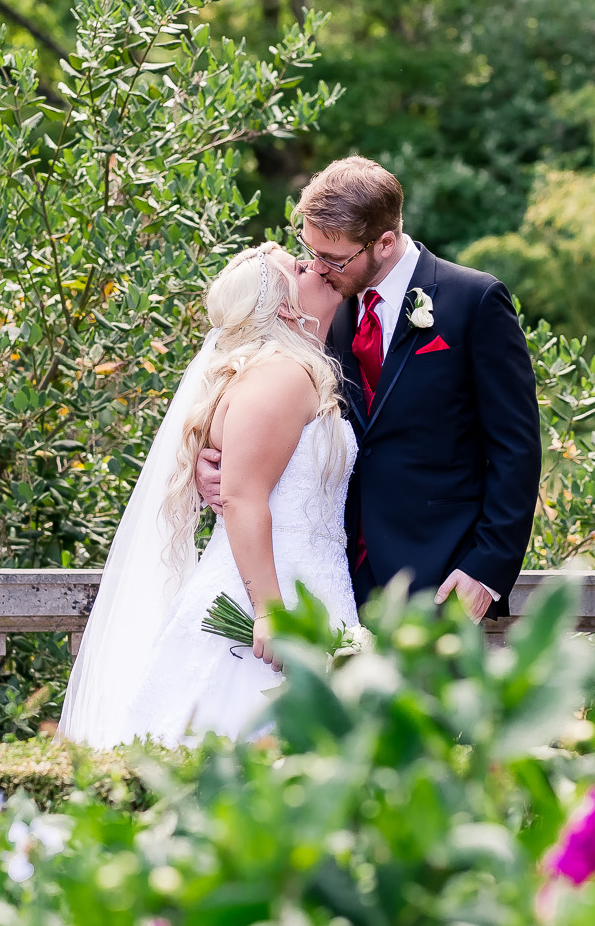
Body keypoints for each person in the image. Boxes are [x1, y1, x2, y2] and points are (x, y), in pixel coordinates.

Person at [201, 157, 541, 620]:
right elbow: (252, 397)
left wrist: (486, 568)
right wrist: (213, 459)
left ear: (384, 242)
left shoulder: (473, 301)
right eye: (311, 250)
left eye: (334, 259)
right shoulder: (317, 315)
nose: (319, 269)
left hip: (439, 577)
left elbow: (515, 447)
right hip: (332, 576)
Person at [57, 243, 353, 747]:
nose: (316, 267)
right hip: (271, 591)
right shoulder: (282, 376)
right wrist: (269, 612)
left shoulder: (286, 370)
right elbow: (241, 499)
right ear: (285, 306)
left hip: (312, 577)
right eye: (300, 267)